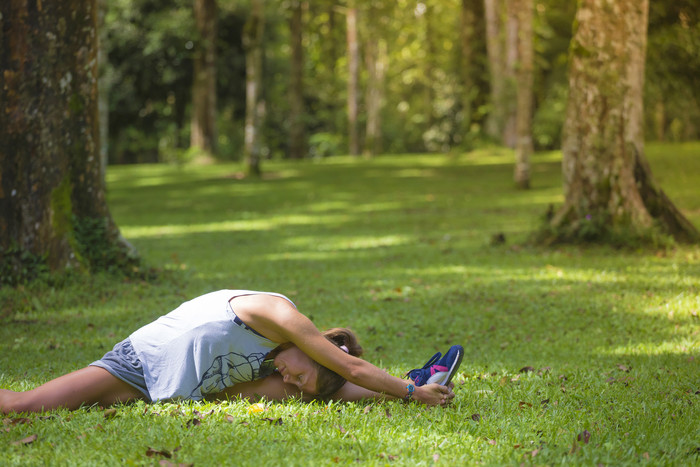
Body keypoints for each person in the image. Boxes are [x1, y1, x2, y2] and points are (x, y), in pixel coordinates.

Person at [0, 290, 463, 414]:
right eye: (299, 374)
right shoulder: (278, 315)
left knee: (324, 390)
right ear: (317, 346)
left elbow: (339, 379)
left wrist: (412, 390)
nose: (289, 379)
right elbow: (347, 365)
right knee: (26, 404)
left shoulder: (280, 365)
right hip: (138, 367)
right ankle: (411, 385)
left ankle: (421, 380)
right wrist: (406, 393)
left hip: (171, 391)